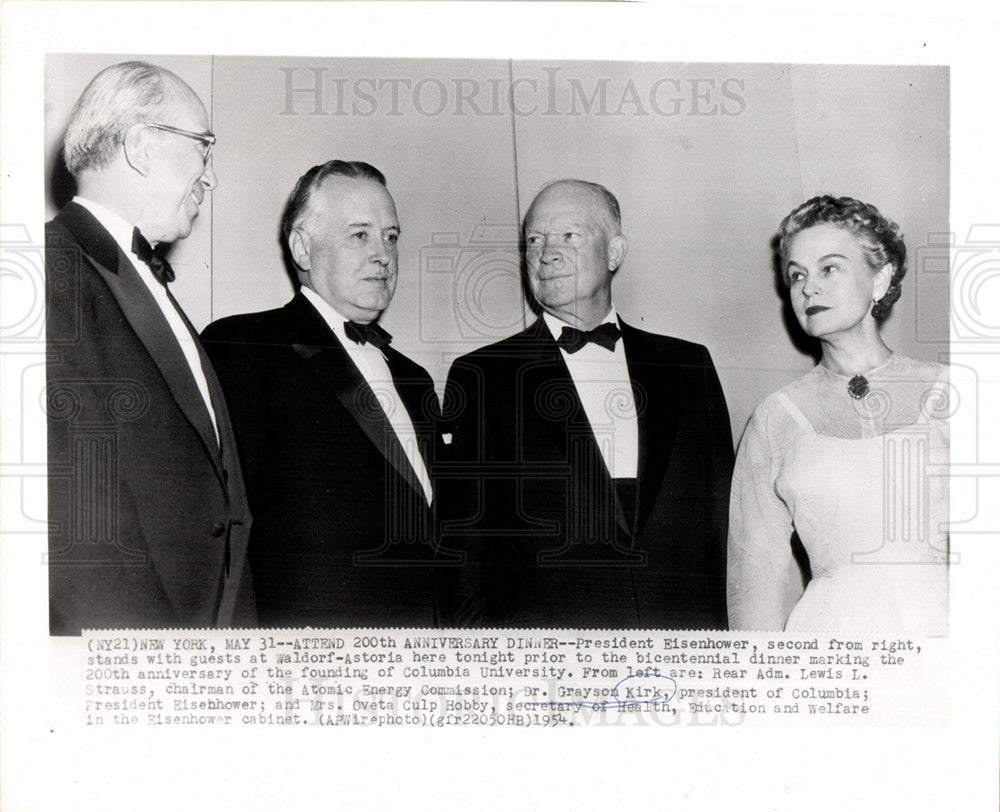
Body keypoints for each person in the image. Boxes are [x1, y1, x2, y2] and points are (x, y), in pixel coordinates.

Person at [437, 179, 734, 628]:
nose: (546, 253)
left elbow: (724, 534)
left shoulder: (690, 366)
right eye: (534, 240)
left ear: (614, 252)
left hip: (682, 664)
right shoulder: (481, 376)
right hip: (553, 673)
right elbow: (465, 558)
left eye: (569, 237)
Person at [46, 61, 254, 634]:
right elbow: (79, 530)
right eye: (203, 149)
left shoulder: (141, 281)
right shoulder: (45, 273)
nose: (209, 178)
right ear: (141, 146)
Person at [202, 160, 444, 626]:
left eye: (391, 236)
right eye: (360, 235)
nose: (383, 255)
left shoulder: (413, 379)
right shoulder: (244, 346)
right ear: (303, 248)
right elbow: (226, 534)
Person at [727, 195, 949, 634]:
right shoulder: (775, 419)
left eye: (829, 268)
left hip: (946, 637)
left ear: (881, 279)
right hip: (829, 646)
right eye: (796, 276)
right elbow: (754, 583)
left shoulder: (953, 393)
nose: (808, 287)